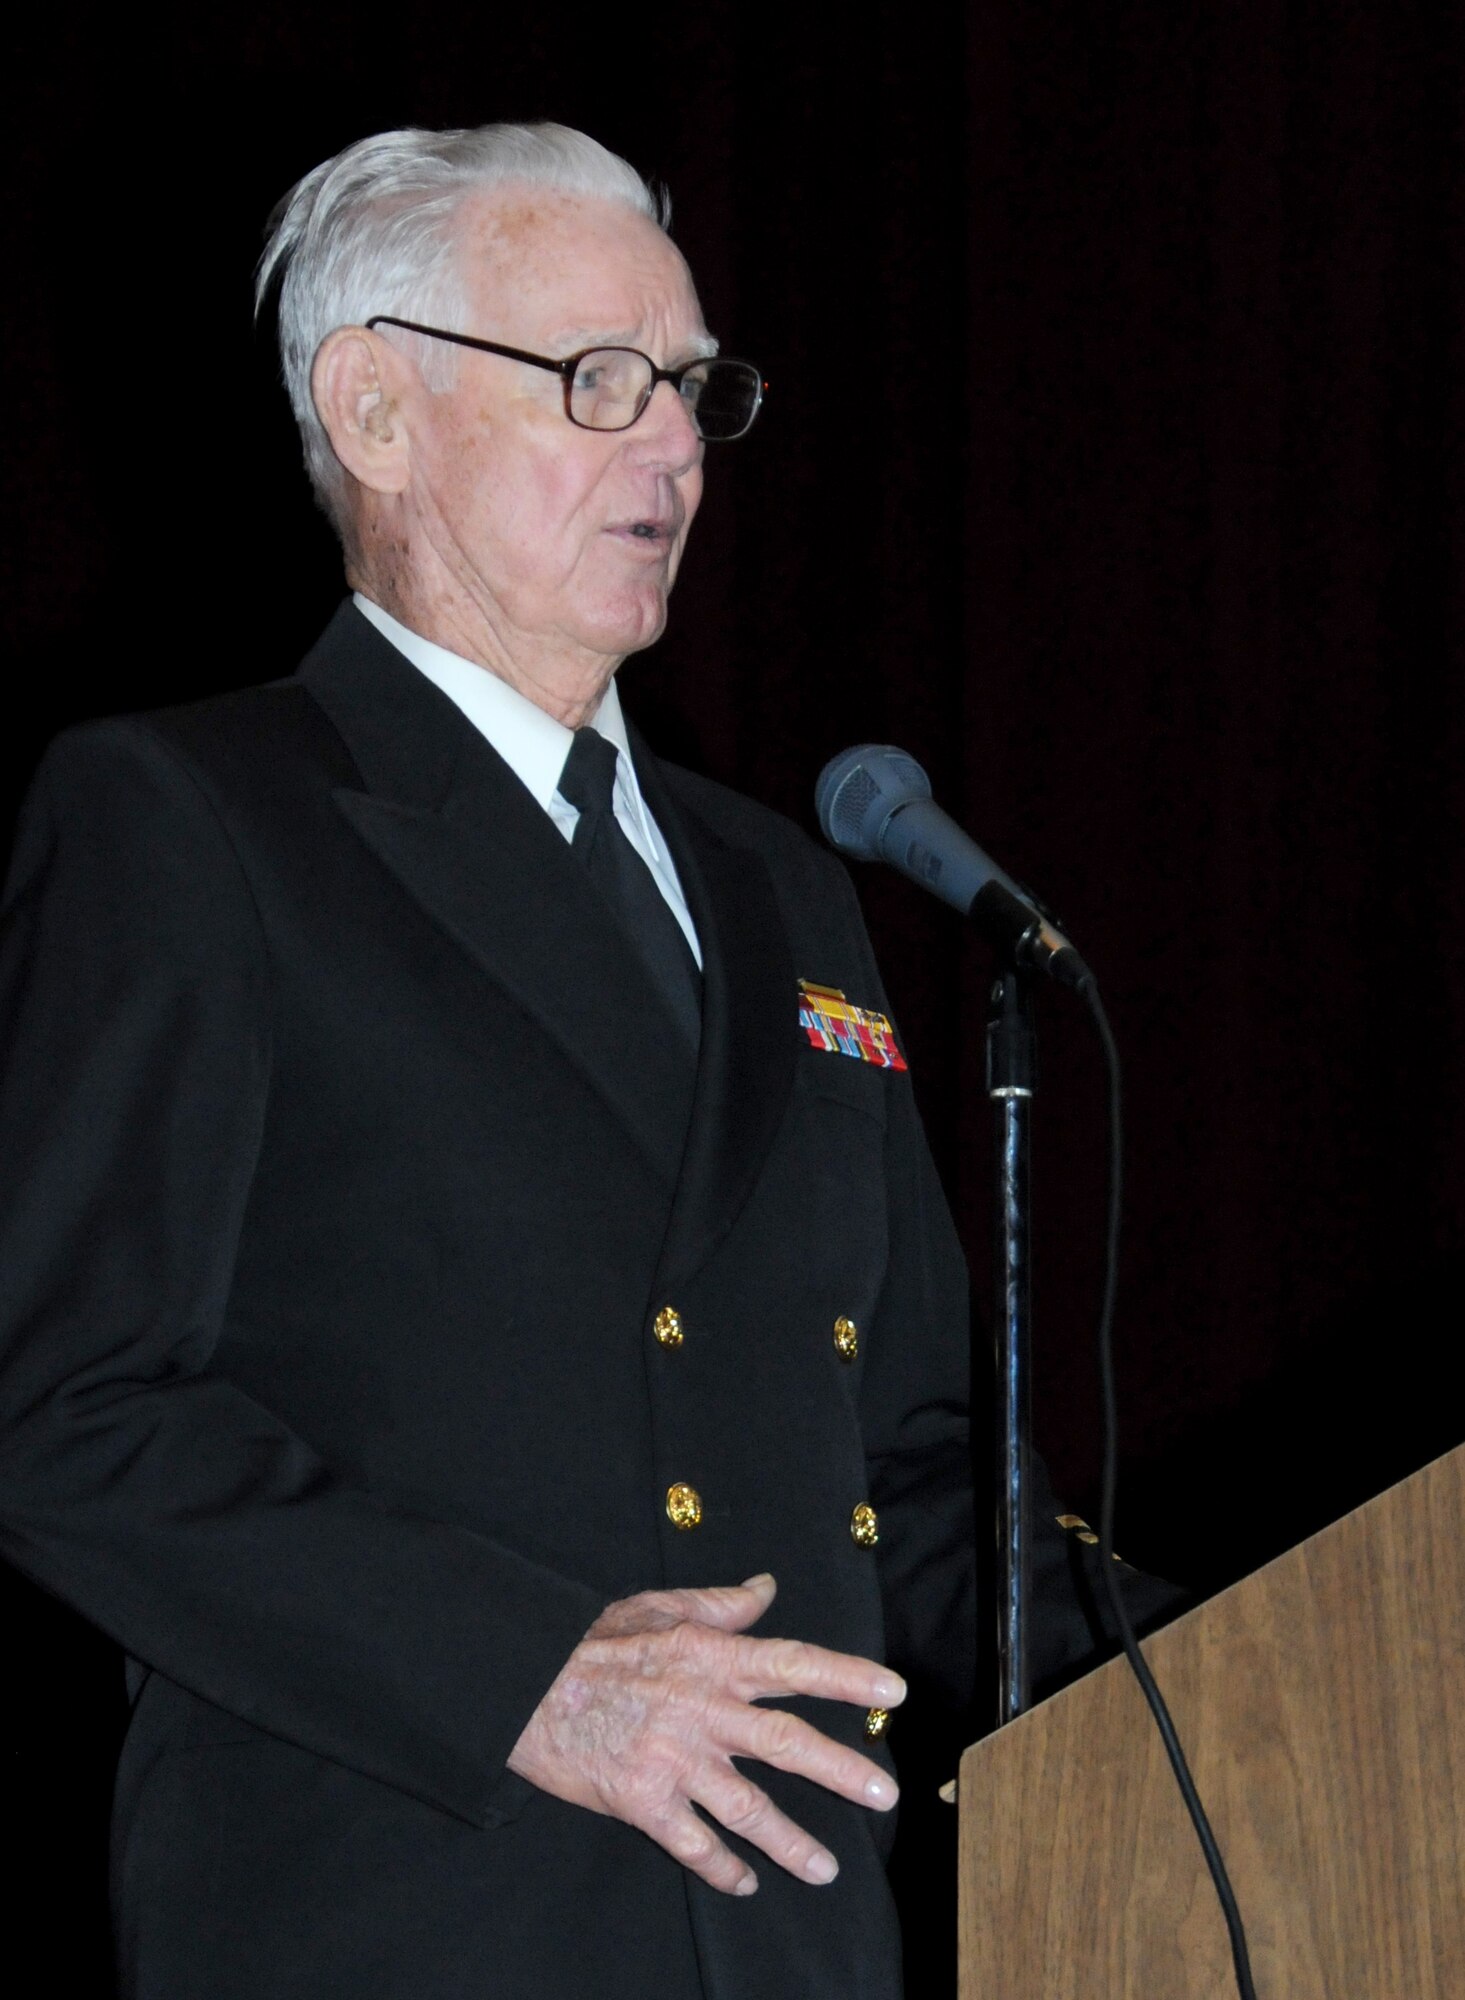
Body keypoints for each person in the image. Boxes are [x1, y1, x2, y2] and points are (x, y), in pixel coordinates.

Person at [0, 123, 1168, 1999]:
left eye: (693, 388)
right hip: (413, 1917)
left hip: (790, 1935)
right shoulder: (195, 819)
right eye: (598, 382)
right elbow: (65, 1412)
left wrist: (1242, 1678)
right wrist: (524, 1676)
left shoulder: (784, 881)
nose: (678, 448)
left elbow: (913, 1471)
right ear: (372, 410)